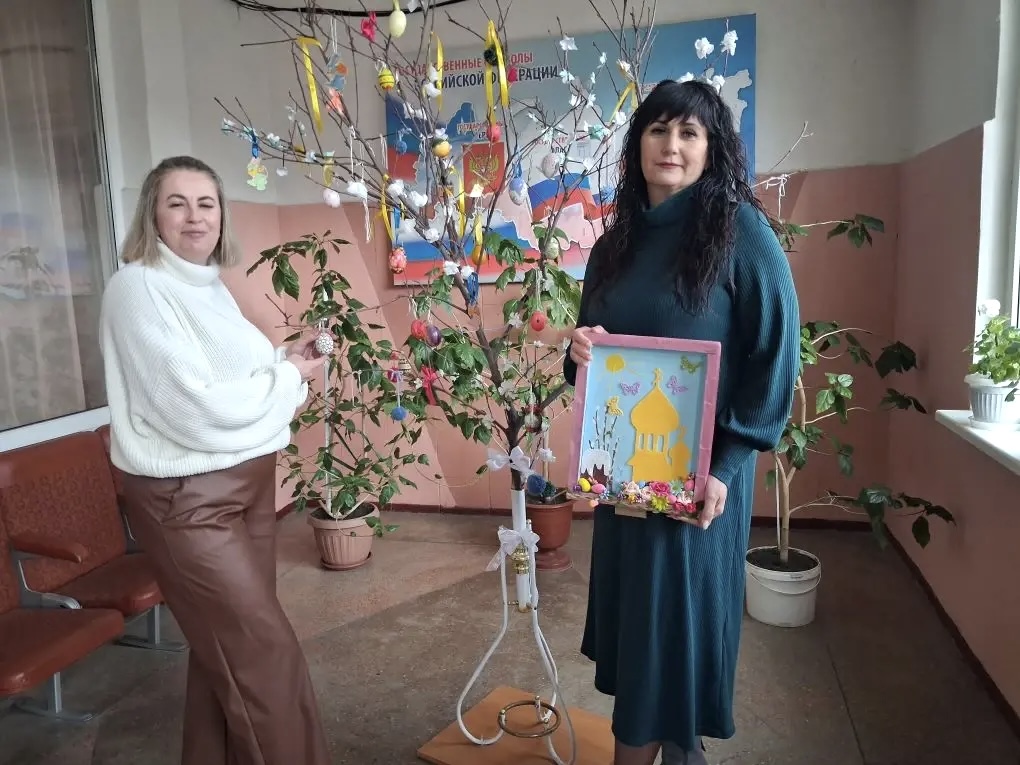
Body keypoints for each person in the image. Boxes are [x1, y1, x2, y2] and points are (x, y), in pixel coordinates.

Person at [564, 80, 801, 765]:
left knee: (678, 631)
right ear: (638, 143)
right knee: (645, 634)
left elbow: (776, 355)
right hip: (625, 480)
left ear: (711, 147)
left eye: (689, 133)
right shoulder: (614, 245)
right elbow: (589, 357)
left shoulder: (741, 234)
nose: (671, 145)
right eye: (658, 129)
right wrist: (578, 351)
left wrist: (726, 465)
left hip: (702, 484)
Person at [99, 155, 331, 765]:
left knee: (222, 658)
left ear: (221, 216)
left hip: (247, 486)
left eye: (206, 204)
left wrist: (287, 360)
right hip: (188, 500)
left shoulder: (207, 285)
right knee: (264, 657)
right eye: (177, 203)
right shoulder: (137, 288)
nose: (194, 217)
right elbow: (192, 408)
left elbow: (228, 380)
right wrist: (288, 378)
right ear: (152, 214)